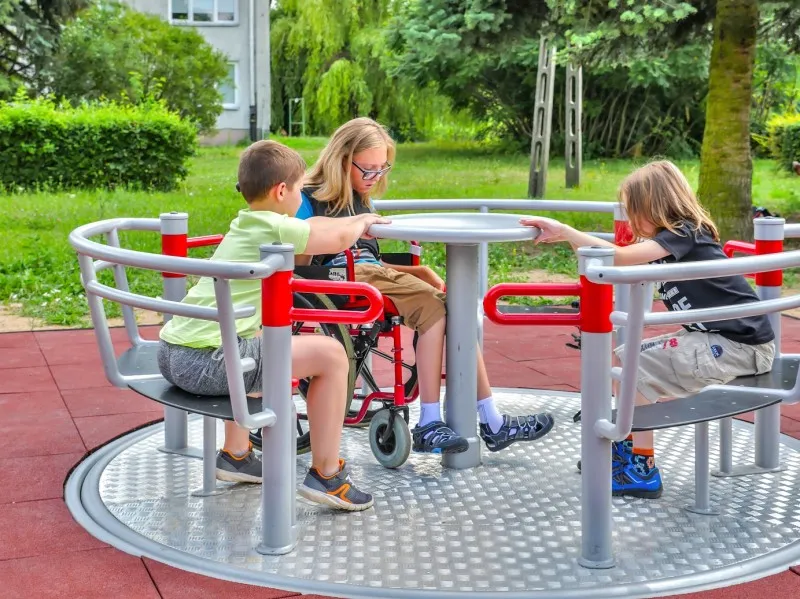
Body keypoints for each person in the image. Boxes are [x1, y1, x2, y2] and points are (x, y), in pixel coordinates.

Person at [296, 117, 555, 454]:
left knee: (450, 305)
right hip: (339, 283)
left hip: (365, 275)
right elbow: (299, 258)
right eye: (368, 169)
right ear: (342, 160)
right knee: (437, 308)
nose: (375, 178)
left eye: (382, 169)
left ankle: (485, 420)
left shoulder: (360, 197)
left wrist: (421, 272)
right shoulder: (309, 198)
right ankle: (438, 422)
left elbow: (367, 261)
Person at [521, 160, 775, 498]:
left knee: (634, 369)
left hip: (741, 348)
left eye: (633, 210)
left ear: (653, 206)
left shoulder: (685, 234)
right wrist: (571, 240)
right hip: (719, 340)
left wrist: (567, 230)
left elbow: (619, 258)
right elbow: (612, 259)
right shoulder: (670, 242)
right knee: (625, 359)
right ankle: (625, 451)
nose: (629, 219)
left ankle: (642, 468)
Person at [157, 140, 389, 511]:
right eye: (299, 188)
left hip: (172, 354)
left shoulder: (247, 223)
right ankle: (327, 475)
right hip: (209, 363)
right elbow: (334, 238)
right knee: (331, 356)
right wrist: (364, 220)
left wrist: (344, 220)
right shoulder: (276, 227)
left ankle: (236, 454)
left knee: (261, 337)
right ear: (282, 191)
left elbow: (315, 225)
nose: (302, 195)